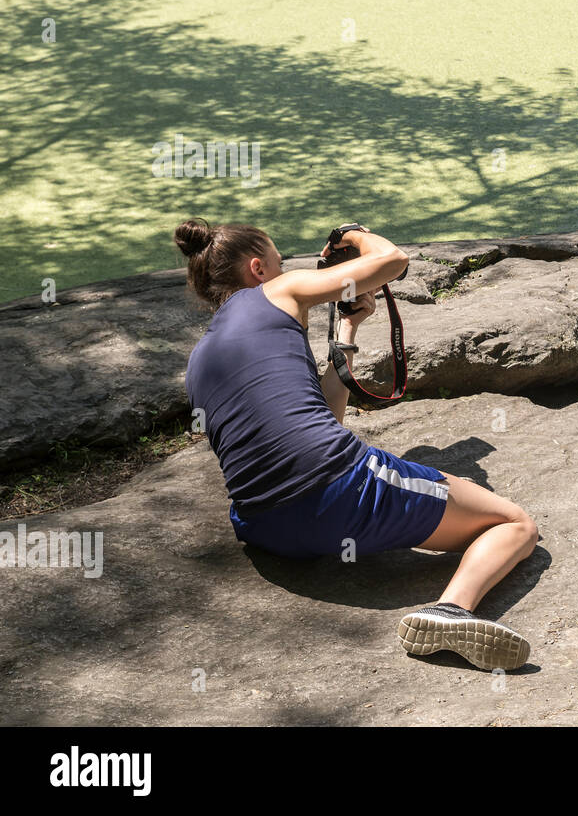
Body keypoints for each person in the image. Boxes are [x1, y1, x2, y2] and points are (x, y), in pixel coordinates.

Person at [174, 218, 538, 670]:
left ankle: (436, 513)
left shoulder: (198, 360)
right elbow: (392, 261)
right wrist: (354, 234)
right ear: (258, 269)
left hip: (267, 526)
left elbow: (326, 419)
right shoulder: (280, 291)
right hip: (338, 491)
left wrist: (347, 331)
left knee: (450, 493)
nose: (287, 269)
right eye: (280, 261)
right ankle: (450, 611)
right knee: (512, 524)